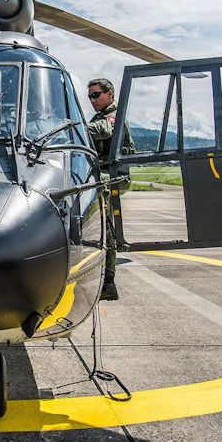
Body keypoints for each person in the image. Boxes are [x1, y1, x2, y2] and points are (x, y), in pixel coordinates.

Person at [86, 78, 134, 302]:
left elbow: (102, 131)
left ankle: (108, 282)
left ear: (110, 95)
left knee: (106, 227)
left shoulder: (114, 116)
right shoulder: (98, 117)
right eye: (90, 97)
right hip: (105, 174)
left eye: (96, 95)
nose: (92, 100)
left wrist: (73, 126)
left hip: (114, 177)